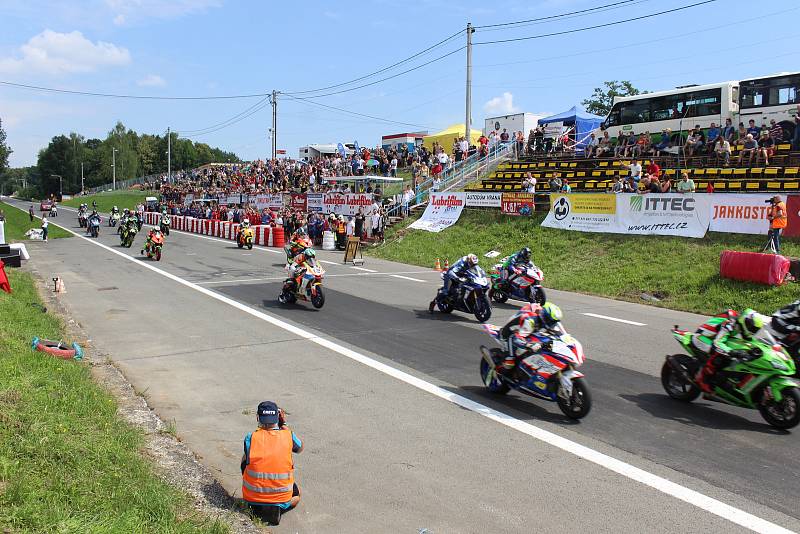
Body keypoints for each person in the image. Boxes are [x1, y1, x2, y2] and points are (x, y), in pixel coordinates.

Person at [241, 401, 303, 520]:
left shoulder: (251, 437)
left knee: (247, 456)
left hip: (251, 496)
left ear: (257, 418)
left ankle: (258, 504)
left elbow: (246, 462)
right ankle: (280, 506)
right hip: (282, 496)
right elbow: (300, 448)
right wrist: (283, 424)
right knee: (298, 493)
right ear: (278, 417)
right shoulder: (288, 435)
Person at [691, 309, 765, 394]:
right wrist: (733, 352)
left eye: (755, 329)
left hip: (715, 337)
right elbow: (717, 343)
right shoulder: (730, 323)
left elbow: (748, 340)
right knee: (721, 353)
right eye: (752, 327)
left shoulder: (740, 323)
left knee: (735, 351)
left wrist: (760, 348)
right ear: (745, 321)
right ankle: (701, 378)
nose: (752, 330)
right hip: (702, 338)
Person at [497, 302, 563, 374]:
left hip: (525, 332)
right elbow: (516, 338)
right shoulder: (531, 320)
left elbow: (559, 332)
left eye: (554, 322)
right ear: (544, 316)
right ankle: (499, 372)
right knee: (509, 363)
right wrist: (529, 345)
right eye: (551, 321)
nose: (552, 323)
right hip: (510, 334)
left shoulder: (545, 318)